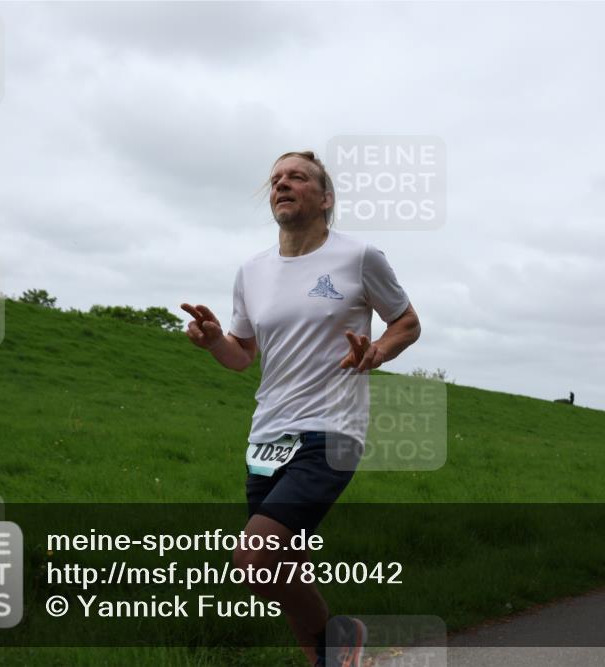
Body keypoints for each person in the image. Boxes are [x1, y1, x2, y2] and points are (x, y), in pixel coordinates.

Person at [181, 150, 421, 667]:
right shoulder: (251, 271)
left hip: (331, 433)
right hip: (267, 436)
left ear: (325, 197)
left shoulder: (359, 257)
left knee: (254, 563)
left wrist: (377, 351)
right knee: (288, 567)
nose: (282, 184)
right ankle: (331, 658)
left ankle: (343, 636)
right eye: (275, 179)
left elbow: (407, 323)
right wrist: (213, 341)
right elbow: (243, 356)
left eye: (297, 177)